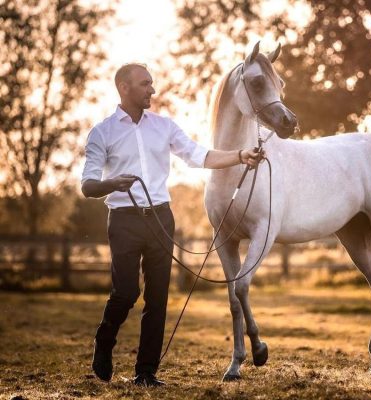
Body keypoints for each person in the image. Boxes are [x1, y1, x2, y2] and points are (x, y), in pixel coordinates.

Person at [81, 63, 262, 387]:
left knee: (158, 298)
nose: (152, 89)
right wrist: (114, 182)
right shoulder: (102, 132)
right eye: (145, 84)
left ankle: (146, 372)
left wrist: (240, 155)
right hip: (124, 220)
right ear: (124, 87)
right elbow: (88, 185)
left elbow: (198, 156)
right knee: (125, 293)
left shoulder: (163, 126)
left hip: (161, 219)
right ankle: (104, 341)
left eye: (152, 83)